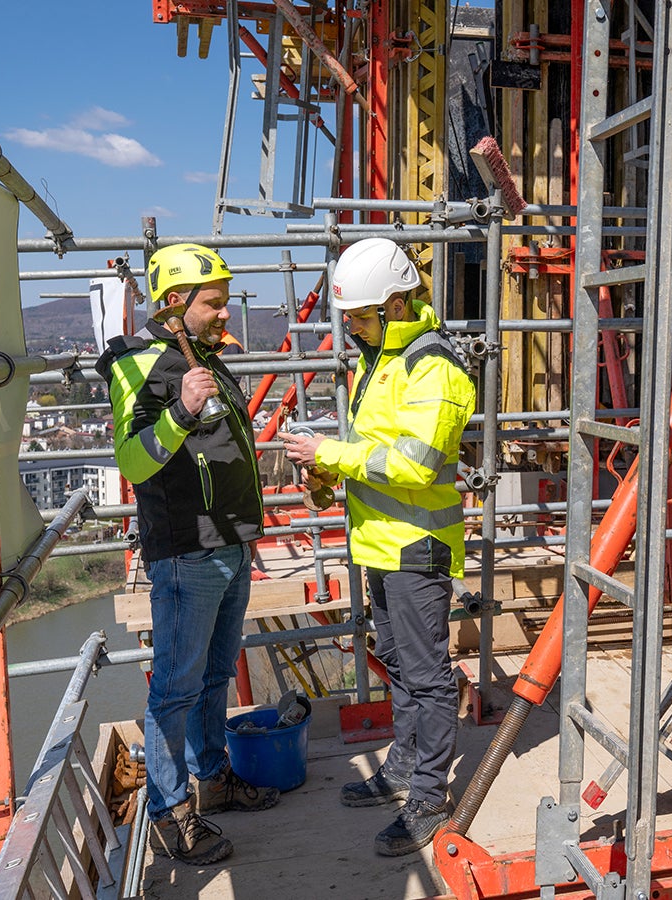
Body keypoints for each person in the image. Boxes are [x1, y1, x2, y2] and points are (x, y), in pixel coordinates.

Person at [277, 237, 477, 857]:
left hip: (416, 546)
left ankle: (428, 794)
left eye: (361, 316)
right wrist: (328, 470)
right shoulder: (379, 357)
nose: (354, 328)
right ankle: (403, 767)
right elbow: (378, 450)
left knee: (427, 674)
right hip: (380, 544)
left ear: (396, 303)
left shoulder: (432, 367)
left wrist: (330, 454)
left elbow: (415, 464)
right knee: (398, 663)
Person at [97, 243, 280, 866]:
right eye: (215, 303)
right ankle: (171, 813)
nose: (226, 314)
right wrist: (181, 410)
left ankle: (213, 778)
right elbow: (133, 460)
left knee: (213, 676)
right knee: (174, 689)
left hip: (229, 546)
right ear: (176, 303)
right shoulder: (139, 364)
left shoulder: (200, 354)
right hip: (187, 553)